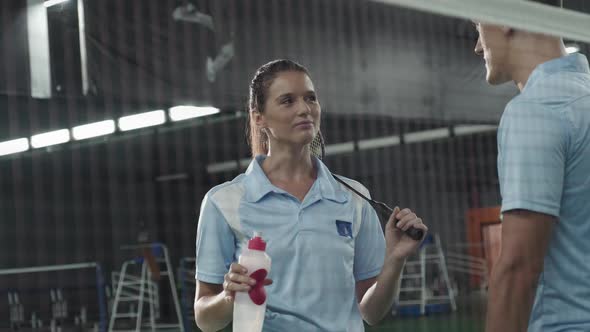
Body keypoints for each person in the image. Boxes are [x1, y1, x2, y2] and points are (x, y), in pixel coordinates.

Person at [193, 59, 428, 332]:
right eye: (287, 101)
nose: (305, 109)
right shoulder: (223, 202)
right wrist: (228, 296)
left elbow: (371, 312)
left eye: (310, 98)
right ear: (259, 117)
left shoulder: (355, 198)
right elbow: (205, 319)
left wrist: (394, 260)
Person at [473, 1, 590, 330]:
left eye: (478, 26)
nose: (478, 45)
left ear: (505, 17)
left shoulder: (536, 110)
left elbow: (518, 268)